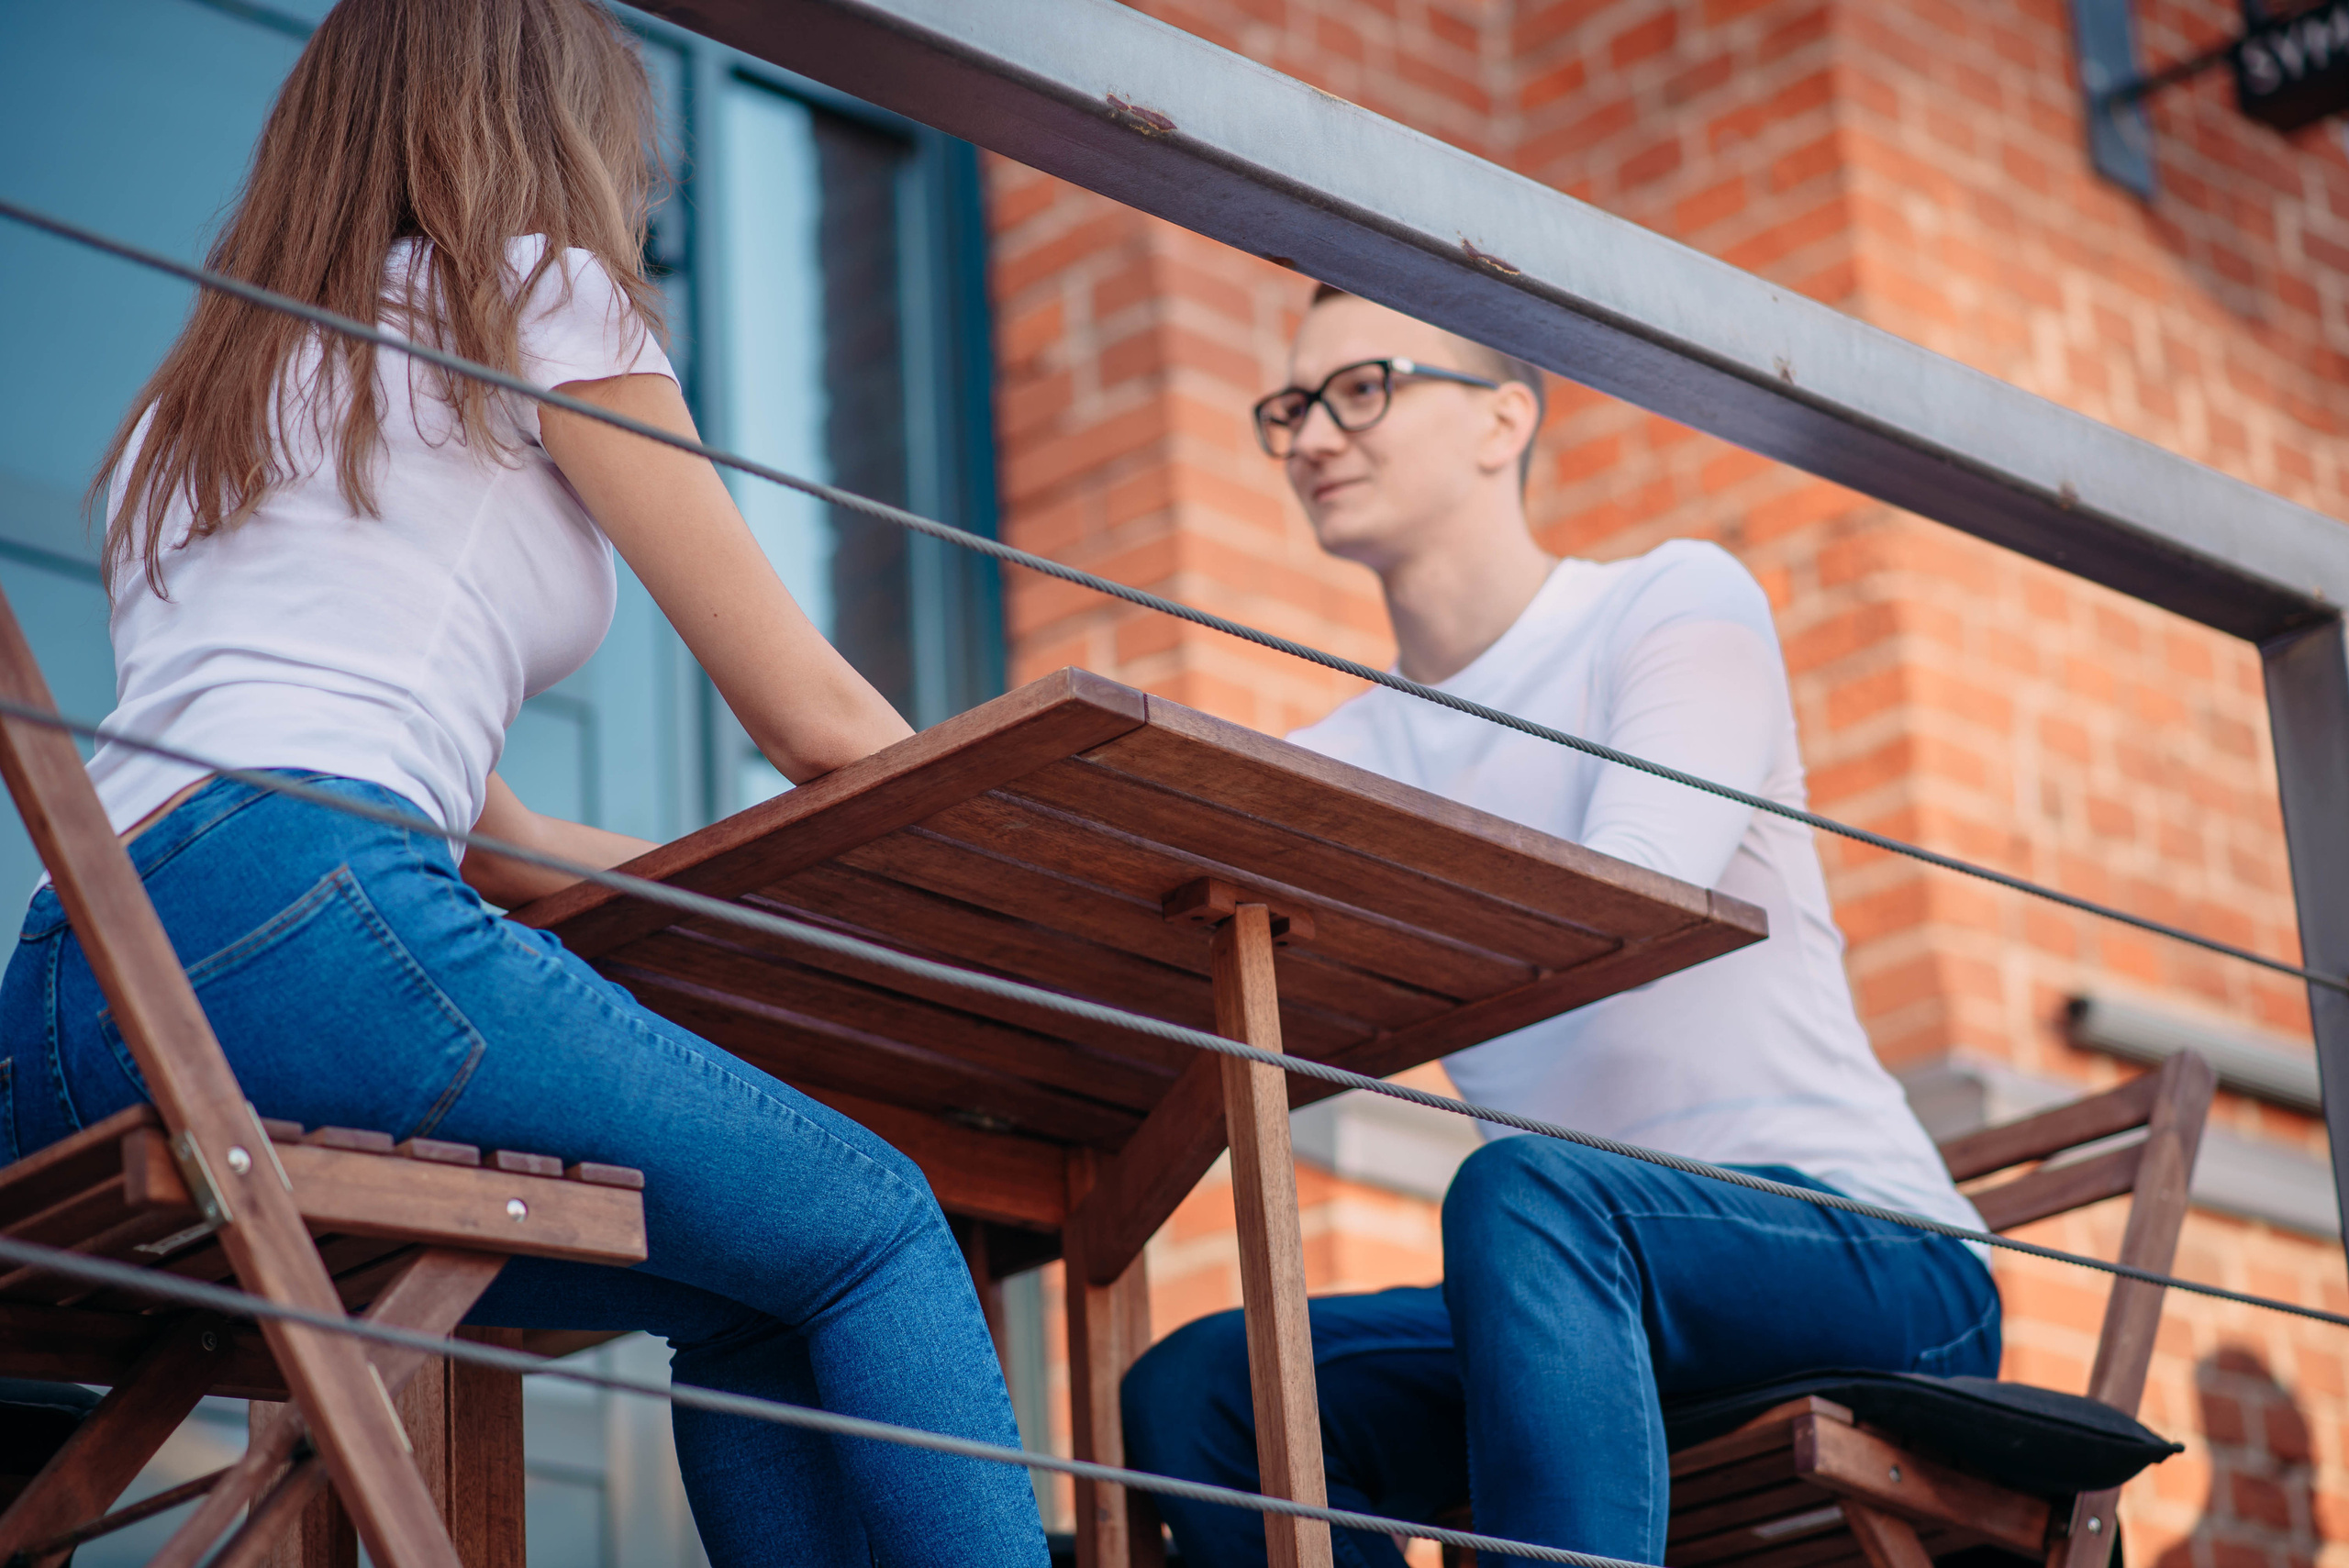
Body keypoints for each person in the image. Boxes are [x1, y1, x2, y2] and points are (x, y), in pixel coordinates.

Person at [0, 3, 1047, 1562]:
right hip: (312, 931)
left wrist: (758, 895)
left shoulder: (193, 409)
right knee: (878, 1225)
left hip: (73, 1009)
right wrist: (1016, 900)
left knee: (754, 1284)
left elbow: (512, 845)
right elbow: (812, 710)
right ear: (550, 127)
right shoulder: (535, 293)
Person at [1119, 286, 2000, 1566]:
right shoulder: (1347, 757)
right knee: (1204, 1385)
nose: (1311, 437)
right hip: (1565, 1286)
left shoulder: (1669, 603)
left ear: (1502, 418)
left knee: (1524, 1189)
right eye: (1290, 407)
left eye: (1360, 389)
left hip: (1869, 1254)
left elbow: (1634, 895)